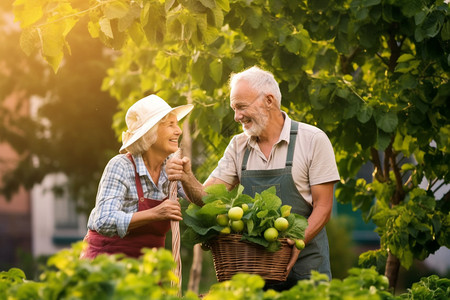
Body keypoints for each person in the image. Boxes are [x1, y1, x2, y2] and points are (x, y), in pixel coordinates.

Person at [167, 66, 340, 291]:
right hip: (254, 273)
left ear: (269, 100)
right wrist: (186, 176)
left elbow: (324, 207)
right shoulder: (239, 146)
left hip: (307, 270)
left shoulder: (313, 140)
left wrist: (299, 240)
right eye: (234, 108)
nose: (237, 116)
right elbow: (207, 199)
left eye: (241, 107)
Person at [81, 94, 196, 259]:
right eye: (171, 125)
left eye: (176, 125)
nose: (178, 131)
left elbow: (202, 202)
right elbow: (103, 220)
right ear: (150, 132)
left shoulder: (170, 167)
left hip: (147, 268)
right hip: (107, 263)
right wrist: (156, 213)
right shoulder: (121, 166)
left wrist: (188, 176)